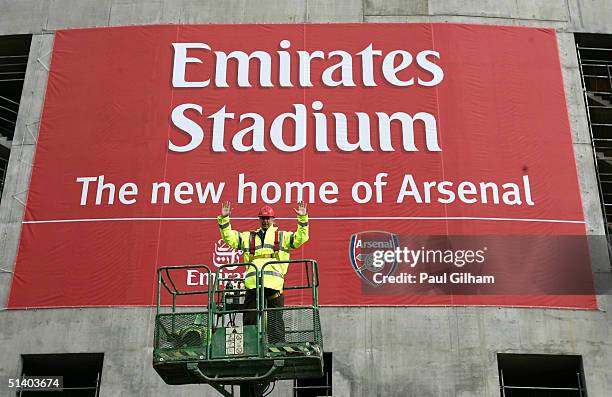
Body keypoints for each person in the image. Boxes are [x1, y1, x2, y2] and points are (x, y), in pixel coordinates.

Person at [218, 201, 309, 343]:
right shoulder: (249, 237)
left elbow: (300, 238)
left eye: (268, 218)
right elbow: (230, 238)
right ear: (259, 220)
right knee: (249, 318)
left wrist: (303, 219)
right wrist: (224, 219)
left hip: (273, 285)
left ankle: (277, 346)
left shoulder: (281, 236)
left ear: (273, 219)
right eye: (263, 218)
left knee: (275, 318)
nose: (265, 221)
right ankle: (249, 345)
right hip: (253, 284)